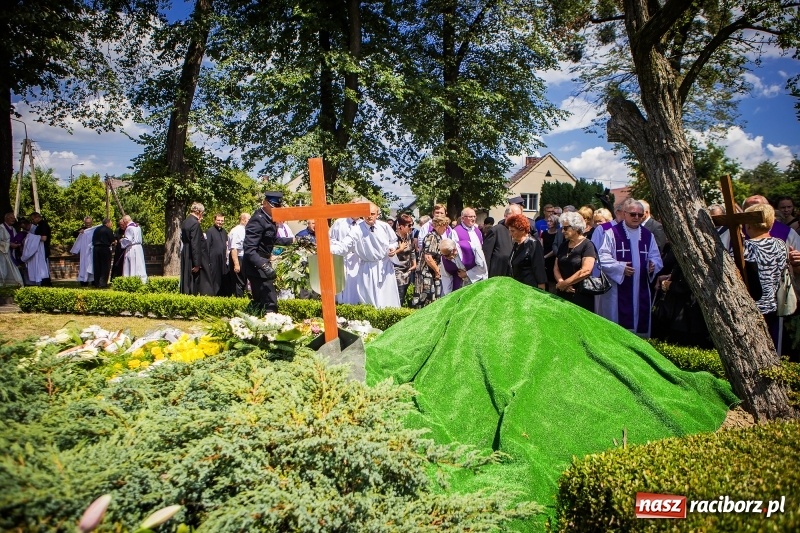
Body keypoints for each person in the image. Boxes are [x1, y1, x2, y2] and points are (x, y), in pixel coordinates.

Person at [598, 199, 663, 337]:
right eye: (633, 214)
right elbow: (602, 258)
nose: (637, 217)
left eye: (640, 215)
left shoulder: (647, 235)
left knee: (639, 328)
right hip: (618, 289)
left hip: (641, 289)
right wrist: (620, 268)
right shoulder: (612, 233)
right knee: (619, 331)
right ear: (625, 214)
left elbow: (656, 257)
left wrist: (653, 265)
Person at [330, 203, 401, 308]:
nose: (369, 216)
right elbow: (344, 247)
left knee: (388, 299)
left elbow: (393, 241)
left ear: (377, 214)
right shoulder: (357, 230)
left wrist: (392, 248)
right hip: (367, 269)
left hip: (385, 268)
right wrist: (326, 249)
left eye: (372, 214)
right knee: (369, 300)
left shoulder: (384, 226)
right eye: (367, 214)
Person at [743, 203, 786, 351]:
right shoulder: (781, 244)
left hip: (752, 308)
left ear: (748, 224)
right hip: (775, 305)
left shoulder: (746, 247)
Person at [244, 191, 294, 313]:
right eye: (274, 206)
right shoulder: (258, 220)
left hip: (263, 263)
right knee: (269, 301)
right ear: (265, 203)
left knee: (263, 300)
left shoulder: (269, 220)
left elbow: (272, 239)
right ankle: (269, 324)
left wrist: (293, 240)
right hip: (256, 265)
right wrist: (264, 265)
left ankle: (258, 323)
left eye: (278, 206)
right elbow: (249, 249)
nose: (277, 209)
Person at [553, 211, 597, 311]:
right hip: (562, 293)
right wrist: (561, 283)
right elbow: (556, 267)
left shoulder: (587, 245)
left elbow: (586, 270)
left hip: (581, 295)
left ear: (576, 227)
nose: (562, 231)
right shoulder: (563, 245)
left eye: (565, 228)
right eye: (561, 228)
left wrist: (565, 283)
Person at [441, 207, 486, 293]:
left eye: (474, 216)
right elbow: (452, 248)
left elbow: (481, 261)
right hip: (460, 272)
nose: (473, 219)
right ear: (462, 218)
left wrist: (469, 273)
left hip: (476, 270)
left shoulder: (478, 231)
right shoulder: (455, 232)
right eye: (470, 217)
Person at [413, 215, 449, 308]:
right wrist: (437, 271)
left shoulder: (438, 236)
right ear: (438, 225)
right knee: (426, 300)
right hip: (426, 274)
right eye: (444, 226)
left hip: (431, 272)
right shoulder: (432, 237)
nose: (446, 228)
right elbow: (428, 257)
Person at [180, 202, 213, 295]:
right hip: (191, 254)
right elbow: (195, 244)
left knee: (186, 279)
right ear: (199, 212)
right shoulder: (195, 224)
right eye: (202, 213)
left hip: (186, 252)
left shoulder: (186, 221)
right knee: (193, 282)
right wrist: (197, 263)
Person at [507, 214, 546, 289]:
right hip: (517, 286)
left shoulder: (533, 243)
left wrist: (541, 288)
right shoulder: (516, 244)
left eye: (513, 231)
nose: (510, 234)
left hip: (529, 287)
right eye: (510, 231)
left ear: (522, 230)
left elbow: (539, 267)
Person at [482, 204, 520, 277]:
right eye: (515, 216)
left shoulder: (520, 232)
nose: (517, 219)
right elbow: (486, 256)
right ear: (505, 216)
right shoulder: (496, 230)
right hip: (497, 275)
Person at [392, 213, 416, 303]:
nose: (411, 227)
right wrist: (400, 249)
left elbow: (412, 250)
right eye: (409, 225)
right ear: (401, 226)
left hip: (407, 270)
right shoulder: (394, 238)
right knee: (399, 295)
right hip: (396, 270)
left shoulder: (409, 236)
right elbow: (388, 254)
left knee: (404, 294)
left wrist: (414, 263)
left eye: (412, 225)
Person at [227, 212, 251, 297]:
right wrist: (236, 264)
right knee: (239, 282)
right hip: (238, 257)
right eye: (249, 219)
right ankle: (238, 300)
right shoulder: (236, 231)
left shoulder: (245, 230)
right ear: (243, 219)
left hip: (244, 257)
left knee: (243, 281)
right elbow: (234, 249)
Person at [205, 213, 229, 296]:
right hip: (213, 260)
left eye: (222, 221)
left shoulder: (224, 232)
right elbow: (206, 247)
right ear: (214, 220)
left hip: (223, 260)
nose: (220, 222)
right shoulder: (210, 231)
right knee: (214, 279)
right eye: (218, 220)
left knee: (223, 279)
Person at [120, 215, 147, 283]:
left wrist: (121, 240)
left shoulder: (129, 228)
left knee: (132, 264)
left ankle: (130, 280)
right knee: (139, 264)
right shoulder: (137, 226)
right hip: (139, 248)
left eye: (123, 221)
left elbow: (128, 240)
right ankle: (142, 280)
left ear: (125, 221)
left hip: (132, 248)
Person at [21, 217, 48, 285]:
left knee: (39, 269)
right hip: (33, 252)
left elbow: (42, 238)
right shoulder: (26, 232)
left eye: (24, 227)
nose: (24, 229)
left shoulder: (37, 229)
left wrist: (30, 238)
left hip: (38, 251)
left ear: (27, 224)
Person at [70, 220, 97, 286]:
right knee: (84, 265)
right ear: (84, 223)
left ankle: (94, 280)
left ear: (91, 222)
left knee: (93, 265)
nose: (88, 224)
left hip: (92, 250)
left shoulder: (95, 230)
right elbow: (74, 234)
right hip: (84, 251)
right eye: (86, 223)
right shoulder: (82, 230)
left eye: (89, 222)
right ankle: (84, 281)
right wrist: (79, 232)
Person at [540, 214, 563, 291]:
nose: (548, 223)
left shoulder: (559, 234)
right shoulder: (544, 233)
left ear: (555, 223)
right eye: (548, 221)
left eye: (551, 221)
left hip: (553, 258)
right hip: (544, 258)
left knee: (552, 281)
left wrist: (545, 256)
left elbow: (556, 248)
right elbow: (541, 245)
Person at [0, 213, 23, 287]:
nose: (13, 219)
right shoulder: (1, 228)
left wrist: (18, 244)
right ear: (6, 218)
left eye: (14, 218)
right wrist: (9, 244)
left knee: (14, 271)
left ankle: (14, 286)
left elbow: (15, 239)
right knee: (3, 271)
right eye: (11, 218)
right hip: (3, 254)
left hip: (11, 253)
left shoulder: (13, 229)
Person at [91, 218, 115, 288]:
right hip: (104, 248)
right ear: (107, 223)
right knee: (105, 266)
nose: (111, 224)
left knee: (97, 265)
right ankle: (103, 283)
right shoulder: (108, 230)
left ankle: (96, 283)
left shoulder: (96, 229)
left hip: (96, 248)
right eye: (111, 223)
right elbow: (112, 241)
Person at [30, 212, 52, 286]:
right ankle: (43, 282)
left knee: (44, 266)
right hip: (41, 248)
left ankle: (46, 282)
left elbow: (44, 238)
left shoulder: (43, 225)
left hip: (43, 248)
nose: (32, 221)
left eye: (33, 219)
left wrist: (31, 238)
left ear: (37, 217)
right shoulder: (40, 225)